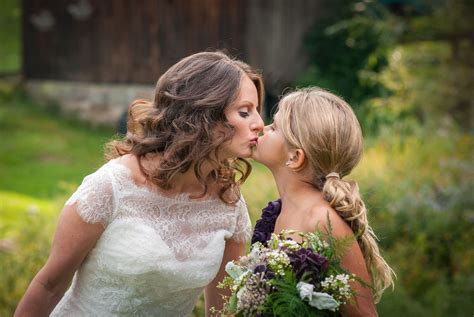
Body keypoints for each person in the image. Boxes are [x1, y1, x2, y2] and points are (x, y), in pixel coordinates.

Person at [15, 51, 265, 317]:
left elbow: (221, 310)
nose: (260, 124)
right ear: (203, 113)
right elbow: (49, 286)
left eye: (257, 112)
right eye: (245, 112)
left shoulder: (229, 203)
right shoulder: (111, 187)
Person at [251, 87, 394, 316]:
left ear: (295, 157)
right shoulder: (277, 213)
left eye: (274, 127)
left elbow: (363, 313)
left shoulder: (322, 220)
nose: (262, 128)